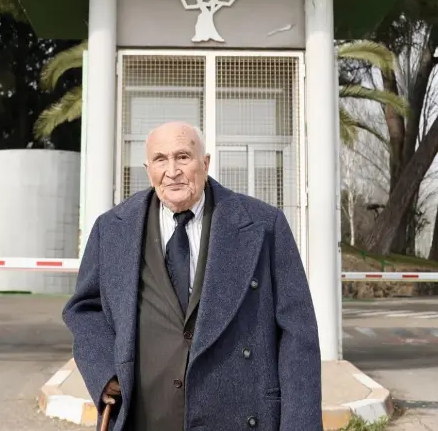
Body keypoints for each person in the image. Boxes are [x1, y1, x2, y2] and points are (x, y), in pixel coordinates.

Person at [63, 121, 322, 431]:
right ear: (148, 169)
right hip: (144, 419)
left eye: (183, 157)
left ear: (205, 163)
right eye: (160, 159)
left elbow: (298, 335)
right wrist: (103, 369)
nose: (172, 171)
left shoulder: (265, 225)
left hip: (237, 417)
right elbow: (85, 309)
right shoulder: (112, 229)